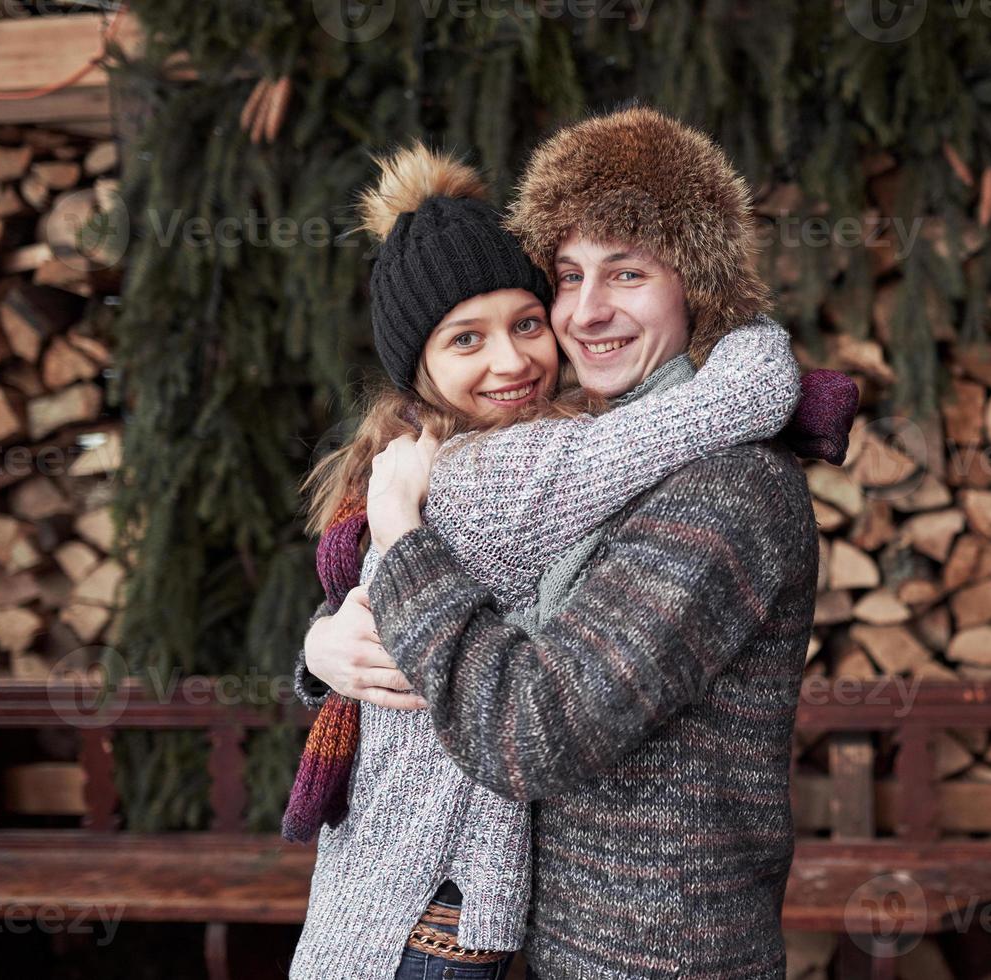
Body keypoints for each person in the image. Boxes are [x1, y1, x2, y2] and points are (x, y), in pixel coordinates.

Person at [301, 106, 854, 978]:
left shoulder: (724, 488)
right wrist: (328, 646)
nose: (587, 314)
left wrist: (402, 539)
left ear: (696, 284)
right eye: (566, 275)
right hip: (542, 937)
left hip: (657, 954)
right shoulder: (575, 452)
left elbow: (530, 731)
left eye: (626, 273)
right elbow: (477, 592)